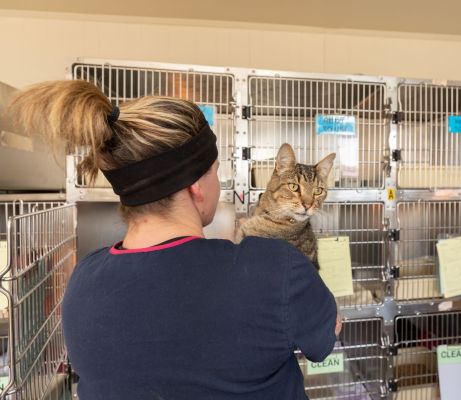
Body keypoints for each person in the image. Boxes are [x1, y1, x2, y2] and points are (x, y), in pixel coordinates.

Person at [10, 81, 341, 400]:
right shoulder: (275, 267)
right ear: (197, 184)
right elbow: (325, 338)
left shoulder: (83, 279)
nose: (221, 182)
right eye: (216, 171)